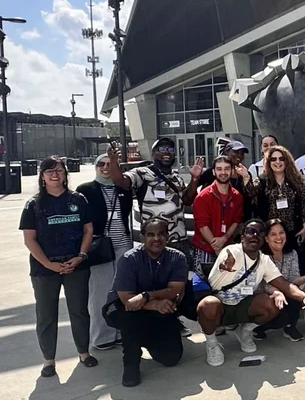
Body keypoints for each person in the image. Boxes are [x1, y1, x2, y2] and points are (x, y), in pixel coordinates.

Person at [197, 218, 305, 366]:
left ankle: (245, 332)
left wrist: (303, 297)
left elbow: (284, 285)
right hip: (220, 305)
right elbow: (226, 260)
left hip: (243, 305)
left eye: (260, 232)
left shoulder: (264, 260)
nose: (255, 235)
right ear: (243, 237)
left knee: (272, 303)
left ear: (264, 239)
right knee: (208, 305)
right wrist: (224, 265)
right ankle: (211, 343)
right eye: (251, 232)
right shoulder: (231, 251)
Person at [21, 156, 98, 377]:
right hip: (44, 270)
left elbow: (88, 230)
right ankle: (49, 361)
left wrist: (81, 256)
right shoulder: (34, 204)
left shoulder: (78, 199)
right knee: (46, 315)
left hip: (76, 265)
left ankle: (84, 353)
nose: (55, 175)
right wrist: (50, 265)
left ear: (66, 174)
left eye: (59, 171)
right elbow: (30, 239)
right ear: (42, 176)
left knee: (79, 311)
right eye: (49, 171)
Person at [104, 218, 186, 387]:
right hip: (123, 307)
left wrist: (147, 295)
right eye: (150, 234)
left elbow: (175, 290)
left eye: (161, 234)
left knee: (171, 358)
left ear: (168, 237)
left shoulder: (177, 258)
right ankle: (131, 364)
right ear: (142, 238)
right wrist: (154, 304)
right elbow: (127, 298)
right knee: (131, 320)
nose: (156, 239)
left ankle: (146, 339)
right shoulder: (129, 259)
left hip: (156, 304)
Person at [107, 138, 203, 272]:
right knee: (155, 285)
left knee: (182, 283)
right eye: (162, 149)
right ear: (153, 154)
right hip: (154, 243)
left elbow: (187, 200)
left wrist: (194, 179)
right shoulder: (142, 173)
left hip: (178, 241)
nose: (167, 153)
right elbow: (120, 181)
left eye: (170, 150)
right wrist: (113, 161)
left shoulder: (177, 178)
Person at [77, 154, 133, 351]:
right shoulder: (86, 190)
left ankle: (120, 331)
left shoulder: (123, 189)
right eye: (101, 164)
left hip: (123, 245)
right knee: (100, 292)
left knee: (121, 291)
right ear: (96, 167)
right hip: (99, 246)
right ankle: (102, 336)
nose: (106, 168)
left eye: (110, 164)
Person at [240, 145, 305, 275]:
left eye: (281, 159)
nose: (278, 162)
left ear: (287, 161)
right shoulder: (263, 180)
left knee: (292, 264)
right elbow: (251, 193)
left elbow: (304, 203)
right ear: (269, 162)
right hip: (271, 232)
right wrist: (246, 177)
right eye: (273, 159)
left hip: (293, 231)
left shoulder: (296, 180)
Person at [252, 219, 305, 341]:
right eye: (273, 234)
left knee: (295, 293)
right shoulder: (261, 256)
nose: (279, 237)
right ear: (266, 238)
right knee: (280, 317)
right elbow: (261, 284)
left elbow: (293, 279)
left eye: (281, 232)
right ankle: (257, 327)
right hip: (266, 295)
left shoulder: (292, 253)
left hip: (286, 292)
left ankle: (290, 327)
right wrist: (276, 292)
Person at [193, 156, 245, 277]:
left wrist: (224, 238)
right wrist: (216, 246)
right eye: (219, 169)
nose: (223, 172)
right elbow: (202, 224)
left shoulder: (237, 196)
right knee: (204, 287)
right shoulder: (203, 197)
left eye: (226, 168)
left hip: (228, 248)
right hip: (205, 248)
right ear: (213, 171)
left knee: (226, 286)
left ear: (232, 171)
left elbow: (237, 221)